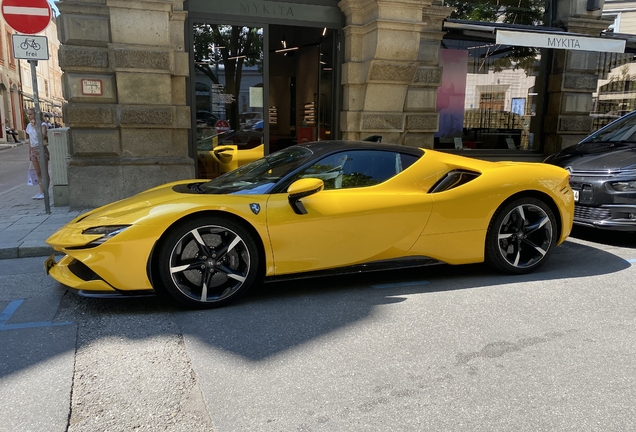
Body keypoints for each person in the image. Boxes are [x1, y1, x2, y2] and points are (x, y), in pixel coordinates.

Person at [26, 108, 49, 200]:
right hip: (33, 149)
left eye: (31, 114)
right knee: (38, 172)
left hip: (41, 149)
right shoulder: (28, 126)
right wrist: (30, 152)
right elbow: (30, 139)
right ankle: (41, 191)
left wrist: (35, 126)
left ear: (36, 115)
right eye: (28, 114)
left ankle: (45, 191)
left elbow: (43, 136)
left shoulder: (42, 124)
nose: (29, 116)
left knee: (44, 171)